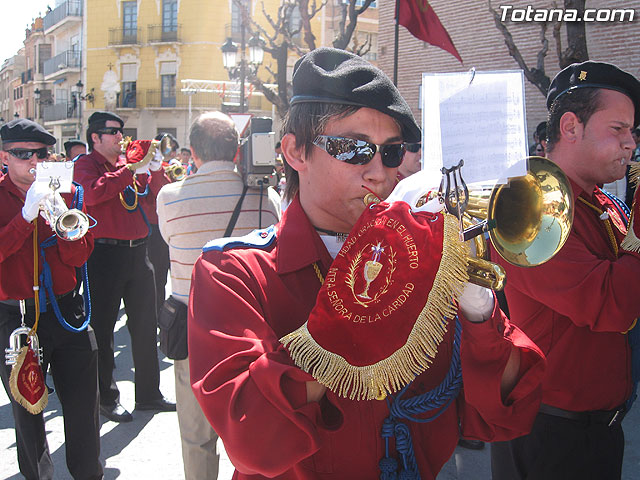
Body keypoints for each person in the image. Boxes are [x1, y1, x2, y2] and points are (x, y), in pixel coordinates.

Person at [188, 48, 545, 479]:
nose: (380, 172)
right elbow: (251, 437)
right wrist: (369, 306)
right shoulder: (233, 270)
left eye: (392, 152)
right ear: (296, 152)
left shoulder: (428, 260)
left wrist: (478, 308)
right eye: (355, 148)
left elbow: (502, 414)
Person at [490, 61, 640, 480]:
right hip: (549, 436)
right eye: (618, 129)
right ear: (571, 126)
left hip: (597, 430)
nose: (631, 143)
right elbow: (613, 304)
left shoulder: (602, 204)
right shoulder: (529, 205)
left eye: (633, 132)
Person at [157, 110, 280, 480]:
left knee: (196, 437)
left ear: (192, 152)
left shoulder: (170, 196)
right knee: (253, 429)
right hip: (251, 332)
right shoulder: (265, 197)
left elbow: (167, 239)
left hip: (193, 331)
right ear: (237, 151)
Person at [0, 119, 102, 479]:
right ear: (4, 157)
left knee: (83, 407)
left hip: (66, 310)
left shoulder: (69, 193)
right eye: (22, 154)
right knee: (28, 411)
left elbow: (79, 258)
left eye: (41, 154)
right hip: (16, 317)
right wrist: (26, 216)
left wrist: (59, 213)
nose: (32, 161)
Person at [74, 111, 175, 423]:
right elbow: (92, 193)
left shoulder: (125, 167)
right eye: (113, 132)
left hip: (138, 253)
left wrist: (156, 171)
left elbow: (159, 197)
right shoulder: (85, 165)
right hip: (103, 256)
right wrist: (131, 169)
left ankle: (149, 394)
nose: (121, 137)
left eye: (121, 131)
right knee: (103, 330)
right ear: (95, 137)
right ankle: (107, 397)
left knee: (146, 327)